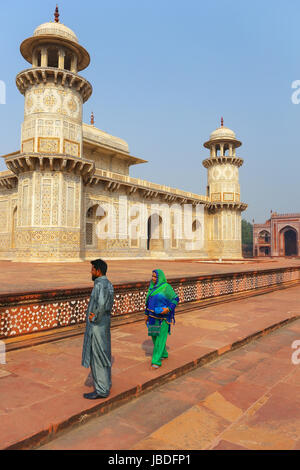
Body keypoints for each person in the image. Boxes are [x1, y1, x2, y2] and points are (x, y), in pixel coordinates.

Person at [82, 259, 114, 399]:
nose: (91, 272)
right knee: (104, 354)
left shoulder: (100, 285)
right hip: (104, 324)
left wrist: (94, 317)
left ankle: (101, 390)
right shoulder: (108, 284)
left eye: (92, 269)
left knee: (97, 357)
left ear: (98, 271)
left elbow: (101, 304)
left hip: (97, 326)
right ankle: (106, 384)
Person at [145, 269, 179, 369]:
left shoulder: (166, 287)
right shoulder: (152, 287)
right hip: (152, 317)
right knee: (154, 337)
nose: (153, 278)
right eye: (152, 276)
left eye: (155, 277)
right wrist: (146, 314)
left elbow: (176, 299)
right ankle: (163, 353)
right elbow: (148, 302)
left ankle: (156, 360)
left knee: (160, 338)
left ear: (160, 277)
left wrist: (168, 309)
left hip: (163, 318)